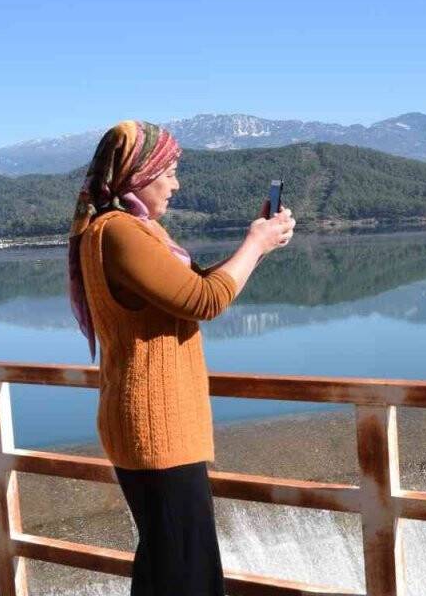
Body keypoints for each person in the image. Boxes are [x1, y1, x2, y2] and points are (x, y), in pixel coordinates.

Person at [67, 120, 294, 596]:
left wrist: (260, 244)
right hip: (156, 427)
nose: (176, 182)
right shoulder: (120, 232)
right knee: (187, 575)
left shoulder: (126, 230)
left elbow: (188, 291)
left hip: (152, 425)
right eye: (168, 170)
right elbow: (203, 301)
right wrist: (255, 244)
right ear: (137, 172)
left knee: (165, 568)